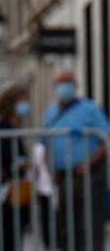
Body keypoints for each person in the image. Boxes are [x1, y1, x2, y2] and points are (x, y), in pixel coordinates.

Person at [42, 70, 109, 250]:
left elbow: (106, 139)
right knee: (65, 224)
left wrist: (89, 163)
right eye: (60, 83)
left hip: (90, 175)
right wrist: (51, 169)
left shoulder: (90, 109)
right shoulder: (50, 113)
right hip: (63, 177)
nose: (64, 87)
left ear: (75, 85)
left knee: (90, 222)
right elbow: (45, 144)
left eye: (67, 82)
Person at [0, 84, 32, 251]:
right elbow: (3, 157)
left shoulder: (15, 127)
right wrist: (22, 162)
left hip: (15, 191)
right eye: (22, 100)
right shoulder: (4, 127)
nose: (26, 104)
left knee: (14, 237)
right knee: (7, 238)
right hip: (5, 192)